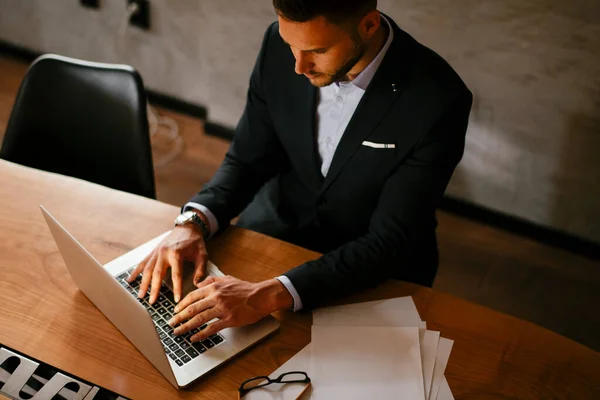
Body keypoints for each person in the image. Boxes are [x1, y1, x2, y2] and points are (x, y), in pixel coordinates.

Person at [128, 0, 472, 343]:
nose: (297, 66)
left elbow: (387, 241)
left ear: (368, 25)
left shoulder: (439, 99)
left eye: (317, 50)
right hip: (280, 224)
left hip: (377, 265)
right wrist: (193, 223)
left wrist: (271, 294)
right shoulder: (280, 48)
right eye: (290, 44)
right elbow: (247, 159)